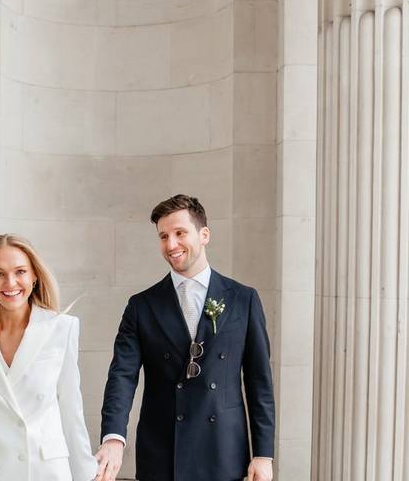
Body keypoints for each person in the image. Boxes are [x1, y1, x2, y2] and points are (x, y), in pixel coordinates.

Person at [94, 195, 275, 481]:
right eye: (163, 236)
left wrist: (263, 454)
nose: (170, 245)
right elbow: (122, 376)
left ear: (204, 235)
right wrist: (114, 437)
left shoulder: (243, 299)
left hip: (223, 451)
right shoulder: (142, 306)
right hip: (163, 450)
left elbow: (259, 381)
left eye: (180, 233)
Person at [0, 234, 98, 481]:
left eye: (20, 271)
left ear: (34, 276)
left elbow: (70, 409)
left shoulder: (61, 328)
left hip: (44, 470)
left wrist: (86, 474)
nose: (10, 282)